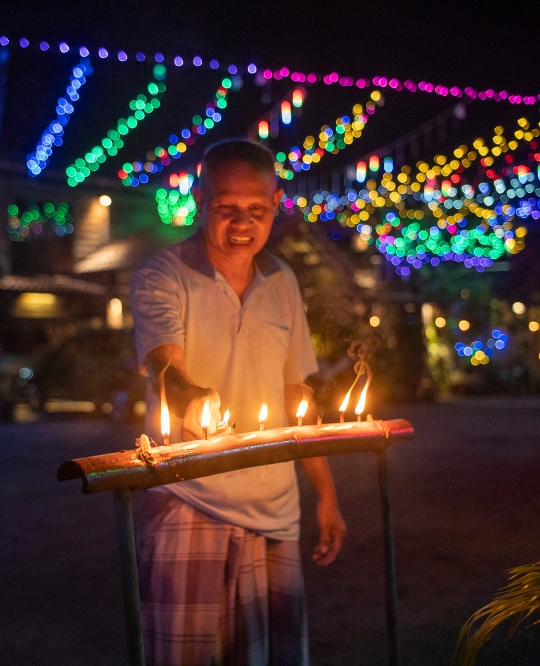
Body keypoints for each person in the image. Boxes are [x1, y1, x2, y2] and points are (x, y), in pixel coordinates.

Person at [130, 139, 346, 665]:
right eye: (227, 209)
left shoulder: (282, 281)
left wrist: (326, 492)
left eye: (256, 210)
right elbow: (165, 368)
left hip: (276, 512)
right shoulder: (164, 274)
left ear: (276, 204)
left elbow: (298, 394)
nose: (242, 223)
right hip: (190, 500)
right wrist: (193, 400)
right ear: (200, 200)